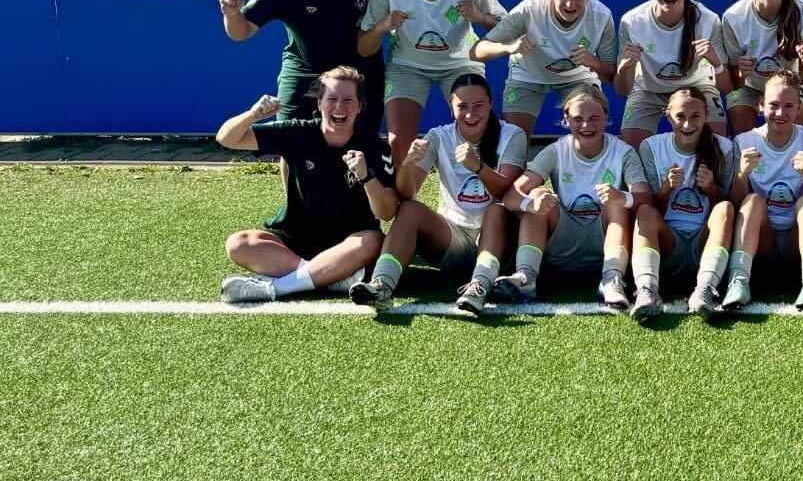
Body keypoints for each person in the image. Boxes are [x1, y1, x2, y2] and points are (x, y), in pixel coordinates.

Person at [214, 67, 397, 304]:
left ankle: (277, 288)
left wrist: (366, 176)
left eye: (348, 100)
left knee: (372, 241)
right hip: (295, 240)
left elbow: (387, 212)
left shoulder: (374, 146)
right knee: (238, 244)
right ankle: (331, 277)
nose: (339, 107)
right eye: (331, 99)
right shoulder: (298, 132)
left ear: (360, 106)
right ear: (319, 103)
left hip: (348, 243)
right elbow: (226, 138)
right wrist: (252, 114)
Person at [350, 75, 527, 317]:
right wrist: (409, 163)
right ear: (451, 108)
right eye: (462, 107)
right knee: (409, 210)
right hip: (452, 238)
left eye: (478, 106)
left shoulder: (513, 135)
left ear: (491, 104)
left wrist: (478, 167)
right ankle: (382, 285)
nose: (470, 114)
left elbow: (507, 192)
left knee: (497, 210)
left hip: (499, 241)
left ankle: (480, 286)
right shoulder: (438, 136)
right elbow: (407, 194)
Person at [219, 0, 391, 129]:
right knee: (289, 137)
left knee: (363, 142)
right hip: (304, 66)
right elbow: (241, 32)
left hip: (359, 70)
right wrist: (232, 13)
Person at [356, 0, 507, 163]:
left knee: (477, 136)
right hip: (407, 65)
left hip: (460, 63)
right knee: (398, 142)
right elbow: (364, 47)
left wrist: (481, 17)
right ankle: (404, 199)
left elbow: (506, 31)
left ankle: (477, 198)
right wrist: (383, 26)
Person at [493, 87, 647, 311]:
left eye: (594, 118)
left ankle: (612, 279)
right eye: (578, 119)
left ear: (606, 117)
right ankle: (526, 276)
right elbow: (512, 196)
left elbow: (646, 200)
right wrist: (531, 204)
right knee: (537, 195)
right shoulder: (556, 150)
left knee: (619, 204)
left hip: (604, 243)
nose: (586, 125)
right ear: (566, 120)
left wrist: (621, 196)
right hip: (560, 245)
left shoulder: (623, 152)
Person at [471, 0, 618, 142]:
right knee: (514, 144)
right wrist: (508, 47)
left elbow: (612, 74)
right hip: (527, 76)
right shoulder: (530, 9)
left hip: (578, 78)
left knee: (589, 136)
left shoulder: (601, 15)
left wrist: (594, 63)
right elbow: (477, 51)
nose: (570, 4)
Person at [725, 72, 803, 314]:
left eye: (789, 106)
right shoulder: (743, 142)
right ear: (761, 106)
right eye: (773, 105)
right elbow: (733, 201)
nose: (781, 113)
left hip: (799, 240)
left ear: (799, 109)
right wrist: (742, 175)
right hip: (763, 242)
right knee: (751, 201)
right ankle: (739, 280)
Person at [635, 88, 737, 319]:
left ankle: (706, 289)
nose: (688, 124)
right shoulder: (651, 146)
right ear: (668, 115)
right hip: (667, 244)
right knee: (645, 211)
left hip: (705, 241)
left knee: (725, 208)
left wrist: (711, 189)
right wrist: (665, 190)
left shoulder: (725, 147)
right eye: (680, 116)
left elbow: (728, 209)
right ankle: (647, 289)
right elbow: (652, 209)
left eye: (695, 116)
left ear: (706, 115)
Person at [617, 0, 733, 147]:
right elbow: (622, 90)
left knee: (716, 144)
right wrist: (625, 68)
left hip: (697, 88)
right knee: (631, 149)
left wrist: (716, 63)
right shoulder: (632, 21)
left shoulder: (708, 20)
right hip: (648, 90)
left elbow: (726, 87)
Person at [719, 0, 803, 133]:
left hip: (790, 85)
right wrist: (741, 73)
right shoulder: (733, 17)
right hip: (748, 86)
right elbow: (734, 82)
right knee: (742, 133)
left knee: (796, 132)